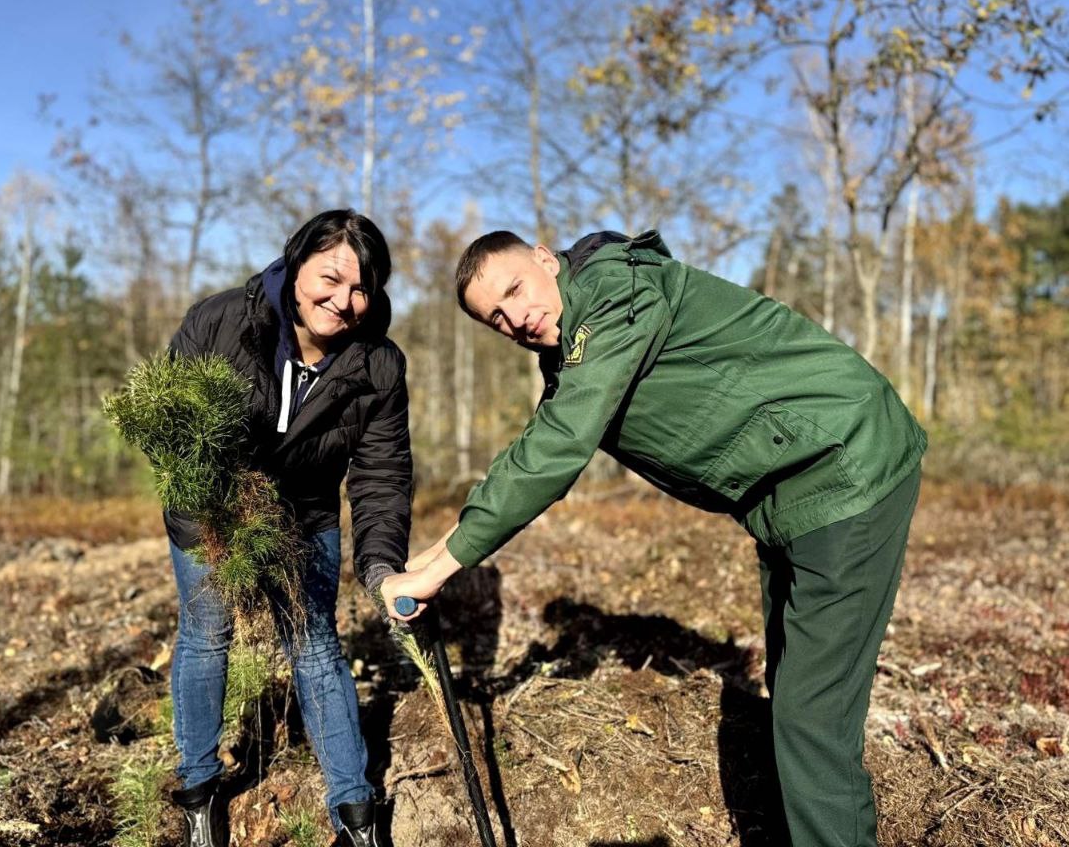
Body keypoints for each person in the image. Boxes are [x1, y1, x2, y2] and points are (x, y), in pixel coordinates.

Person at [380, 229, 926, 847]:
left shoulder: (618, 293)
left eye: (515, 290)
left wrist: (438, 569)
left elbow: (558, 448)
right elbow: (533, 450)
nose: (516, 318)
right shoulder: (569, 347)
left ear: (542, 258)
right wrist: (433, 557)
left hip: (842, 464)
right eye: (497, 319)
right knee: (796, 690)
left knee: (812, 717)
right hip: (788, 491)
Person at [167, 210, 410, 847]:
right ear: (295, 263)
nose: (344, 301)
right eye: (330, 278)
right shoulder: (220, 323)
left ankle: (356, 814)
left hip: (306, 512)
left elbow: (381, 476)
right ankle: (198, 794)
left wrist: (381, 562)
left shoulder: (377, 366)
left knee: (314, 643)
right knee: (205, 632)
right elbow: (172, 430)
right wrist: (223, 505)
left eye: (363, 289)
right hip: (214, 511)